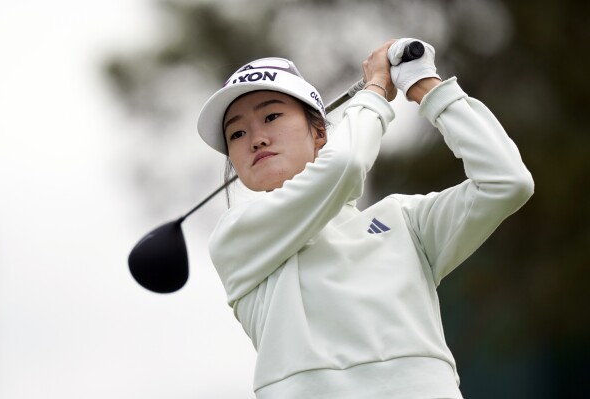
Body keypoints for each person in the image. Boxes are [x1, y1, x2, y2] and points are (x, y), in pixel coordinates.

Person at [196, 38, 534, 399]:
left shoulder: (404, 220)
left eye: (272, 116)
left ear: (321, 133)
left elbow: (506, 181)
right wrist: (375, 90)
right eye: (237, 133)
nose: (257, 139)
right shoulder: (236, 237)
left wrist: (426, 86)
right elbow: (346, 165)